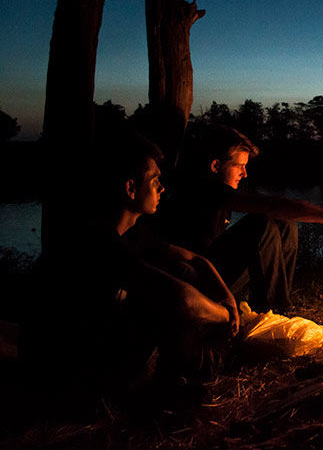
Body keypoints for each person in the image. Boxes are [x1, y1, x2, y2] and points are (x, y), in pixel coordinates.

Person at [20, 131, 239, 400]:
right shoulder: (95, 240)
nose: (162, 188)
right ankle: (179, 378)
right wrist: (226, 315)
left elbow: (195, 259)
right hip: (65, 376)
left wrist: (227, 298)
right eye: (155, 180)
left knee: (184, 272)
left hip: (90, 351)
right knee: (169, 298)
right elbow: (182, 299)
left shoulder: (131, 232)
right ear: (130, 188)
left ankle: (193, 368)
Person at [162, 125, 323, 312]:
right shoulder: (203, 191)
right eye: (239, 166)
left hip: (216, 278)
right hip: (195, 287)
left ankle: (277, 307)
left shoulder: (223, 192)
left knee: (283, 222)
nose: (245, 174)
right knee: (261, 224)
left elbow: (278, 209)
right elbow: (271, 205)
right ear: (215, 166)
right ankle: (274, 310)